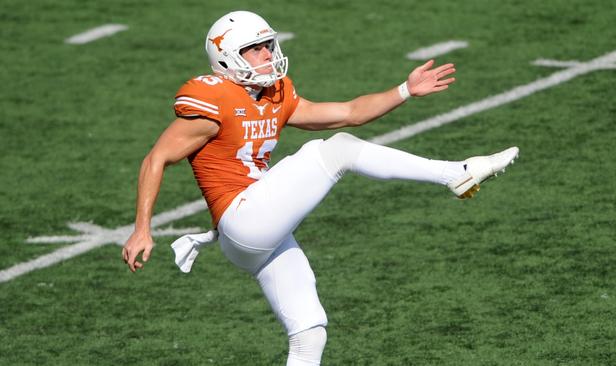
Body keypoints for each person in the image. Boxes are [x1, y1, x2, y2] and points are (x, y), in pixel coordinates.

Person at [122, 10, 518, 366]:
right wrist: (142, 228)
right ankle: (456, 172)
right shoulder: (214, 100)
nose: (266, 53)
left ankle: (457, 173)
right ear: (227, 57)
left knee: (309, 334)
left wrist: (404, 90)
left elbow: (348, 113)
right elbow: (155, 158)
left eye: (267, 44)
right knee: (336, 151)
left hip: (259, 232)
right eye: (254, 48)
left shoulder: (276, 95)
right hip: (241, 218)